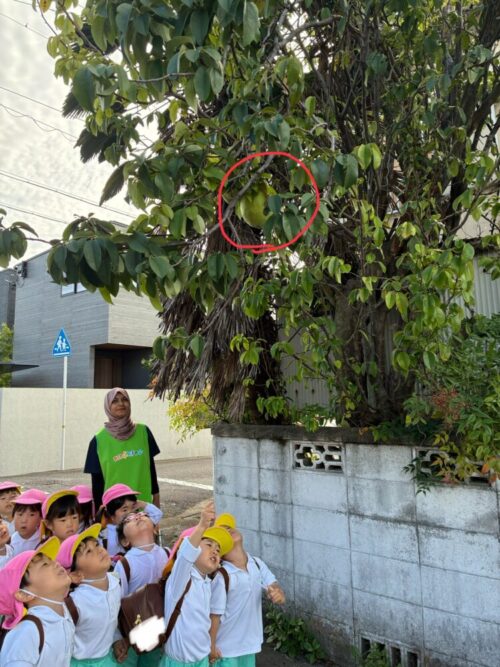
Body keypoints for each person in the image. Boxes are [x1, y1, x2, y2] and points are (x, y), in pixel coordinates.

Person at [162, 501, 234, 667]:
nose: (215, 550)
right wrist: (202, 526)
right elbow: (185, 556)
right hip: (178, 662)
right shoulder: (181, 579)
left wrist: (210, 649)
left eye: (218, 550)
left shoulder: (207, 583)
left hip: (201, 659)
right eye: (208, 544)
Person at [209, 514, 285, 667]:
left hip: (249, 646)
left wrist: (279, 594)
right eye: (222, 533)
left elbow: (273, 584)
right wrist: (211, 647)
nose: (228, 530)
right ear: (219, 551)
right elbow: (214, 616)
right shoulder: (223, 576)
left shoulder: (256, 563)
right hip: (225, 651)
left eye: (228, 527)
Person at [0, 537, 75, 667]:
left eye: (52, 560)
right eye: (45, 565)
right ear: (24, 594)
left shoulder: (62, 609)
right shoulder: (26, 632)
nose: (57, 563)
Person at [56, 524, 123, 667]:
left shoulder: (115, 582)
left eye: (96, 544)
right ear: (76, 575)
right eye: (88, 551)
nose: (98, 550)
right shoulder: (75, 603)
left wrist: (116, 639)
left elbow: (112, 619)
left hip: (107, 658)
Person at [84, 388, 161, 509]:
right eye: (115, 401)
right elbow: (97, 484)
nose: (121, 403)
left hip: (144, 506)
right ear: (108, 406)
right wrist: (101, 514)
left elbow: (150, 468)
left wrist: (156, 498)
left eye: (124, 399)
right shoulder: (98, 441)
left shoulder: (144, 432)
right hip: (115, 511)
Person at [96, 483, 163, 559]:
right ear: (111, 515)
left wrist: (142, 504)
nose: (130, 512)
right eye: (125, 509)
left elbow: (157, 514)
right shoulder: (104, 535)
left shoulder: (137, 525)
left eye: (133, 508)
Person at [10, 489, 48, 555]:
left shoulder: (45, 541)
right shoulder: (9, 541)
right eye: (20, 514)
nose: (24, 520)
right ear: (13, 516)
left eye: (31, 515)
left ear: (41, 518)